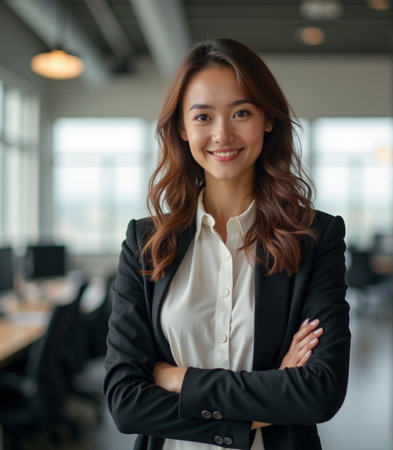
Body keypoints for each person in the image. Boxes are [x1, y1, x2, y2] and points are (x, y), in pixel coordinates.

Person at [104, 38, 350, 450]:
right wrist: (260, 410)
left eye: (241, 112)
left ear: (267, 120)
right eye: (203, 116)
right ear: (182, 128)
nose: (222, 134)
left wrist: (177, 378)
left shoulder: (315, 239)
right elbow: (126, 403)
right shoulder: (145, 242)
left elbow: (319, 392)